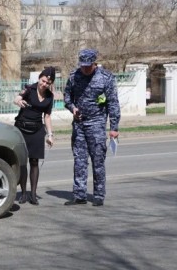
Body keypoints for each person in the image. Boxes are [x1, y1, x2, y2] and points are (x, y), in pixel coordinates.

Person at [63, 49, 120, 207]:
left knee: (98, 161)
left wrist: (114, 127)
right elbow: (67, 96)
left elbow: (113, 103)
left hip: (97, 123)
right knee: (79, 160)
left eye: (88, 66)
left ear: (94, 63)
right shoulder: (74, 76)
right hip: (79, 124)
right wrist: (72, 108)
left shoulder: (105, 77)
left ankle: (99, 194)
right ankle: (79, 194)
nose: (85, 69)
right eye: (83, 66)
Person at [13, 67, 56, 205]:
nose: (44, 84)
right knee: (22, 162)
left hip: (37, 130)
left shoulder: (50, 97)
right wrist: (19, 101)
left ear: (50, 84)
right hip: (22, 129)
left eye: (47, 83)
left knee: (34, 162)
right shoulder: (29, 89)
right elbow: (17, 98)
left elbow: (47, 117)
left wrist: (50, 135)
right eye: (43, 81)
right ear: (39, 78)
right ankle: (24, 193)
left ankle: (33, 194)